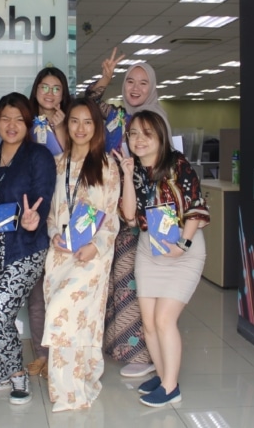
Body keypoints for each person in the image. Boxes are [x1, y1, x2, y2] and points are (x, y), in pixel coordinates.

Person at [0, 92, 56, 405]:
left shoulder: (38, 156)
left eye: (19, 118)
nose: (12, 124)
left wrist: (35, 219)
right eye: (5, 118)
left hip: (24, 248)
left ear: (28, 123)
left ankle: (16, 373)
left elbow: (43, 195)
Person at [115, 110, 209, 407]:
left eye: (147, 134)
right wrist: (128, 176)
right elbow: (129, 216)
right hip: (149, 249)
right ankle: (163, 373)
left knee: (165, 319)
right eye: (133, 134)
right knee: (149, 324)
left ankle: (171, 387)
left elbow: (195, 206)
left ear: (160, 137)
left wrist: (184, 243)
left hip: (184, 250)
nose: (139, 140)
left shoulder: (178, 164)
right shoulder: (134, 169)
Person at [87, 48, 172, 378]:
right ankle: (129, 347)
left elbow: (160, 173)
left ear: (152, 87)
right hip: (119, 212)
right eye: (130, 81)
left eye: (143, 82)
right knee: (123, 281)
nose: (135, 88)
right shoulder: (120, 116)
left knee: (137, 283)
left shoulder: (156, 118)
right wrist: (104, 80)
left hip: (145, 217)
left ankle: (144, 353)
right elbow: (84, 108)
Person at [41, 98, 120, 411]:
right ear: (66, 124)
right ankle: (78, 381)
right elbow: (49, 213)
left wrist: (96, 246)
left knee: (69, 317)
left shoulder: (107, 166)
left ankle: (69, 393)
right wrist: (54, 235)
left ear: (97, 127)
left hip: (92, 257)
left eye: (88, 122)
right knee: (68, 320)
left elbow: (112, 217)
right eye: (74, 121)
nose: (81, 128)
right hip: (60, 255)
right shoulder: (57, 164)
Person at [25, 66, 72, 380]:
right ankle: (43, 355)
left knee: (62, 288)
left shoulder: (71, 121)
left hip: (63, 213)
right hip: (30, 214)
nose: (50, 93)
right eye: (45, 86)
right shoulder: (23, 122)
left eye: (57, 88)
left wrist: (63, 128)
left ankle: (63, 353)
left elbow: (73, 160)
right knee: (36, 292)